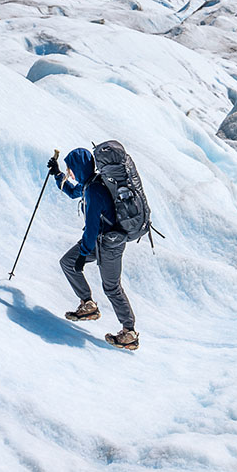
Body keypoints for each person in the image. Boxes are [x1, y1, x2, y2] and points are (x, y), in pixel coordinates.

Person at [49, 147, 139, 350]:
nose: (69, 172)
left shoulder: (94, 190)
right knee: (67, 262)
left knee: (111, 287)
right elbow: (73, 192)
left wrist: (82, 254)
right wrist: (58, 175)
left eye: (70, 168)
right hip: (100, 242)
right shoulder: (91, 183)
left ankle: (130, 332)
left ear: (79, 168)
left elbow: (91, 228)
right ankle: (88, 305)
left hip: (110, 245)